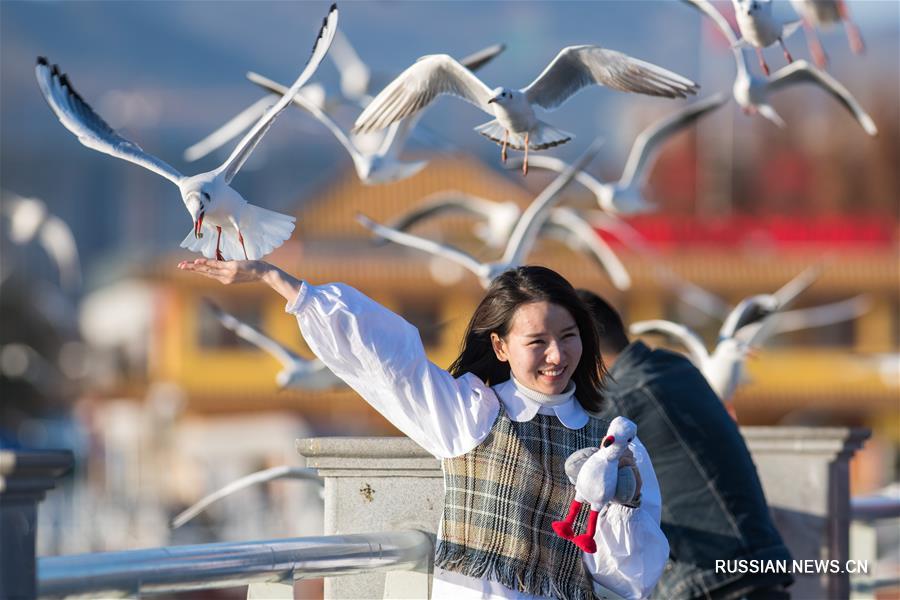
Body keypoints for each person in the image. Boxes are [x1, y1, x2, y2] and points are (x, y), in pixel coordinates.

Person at [179, 258, 670, 600]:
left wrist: (623, 500)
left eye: (569, 337)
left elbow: (633, 581)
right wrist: (279, 281)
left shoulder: (613, 441)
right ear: (500, 347)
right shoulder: (472, 412)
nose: (558, 356)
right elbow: (389, 359)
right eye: (536, 341)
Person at [575, 289, 793, 600]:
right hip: (752, 570)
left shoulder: (624, 399)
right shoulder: (675, 369)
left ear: (582, 345)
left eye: (563, 339)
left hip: (711, 580)